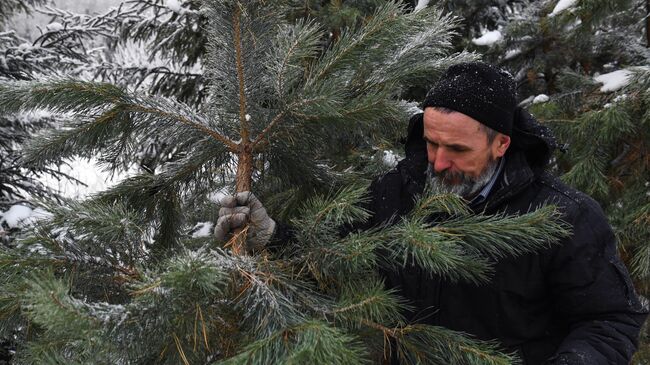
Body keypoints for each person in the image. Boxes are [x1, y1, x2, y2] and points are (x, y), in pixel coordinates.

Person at [214, 62, 648, 364]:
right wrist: (272, 236)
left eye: (458, 149)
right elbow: (334, 255)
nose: (438, 162)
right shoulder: (398, 191)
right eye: (432, 142)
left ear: (502, 144)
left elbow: (610, 319)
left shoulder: (564, 218)